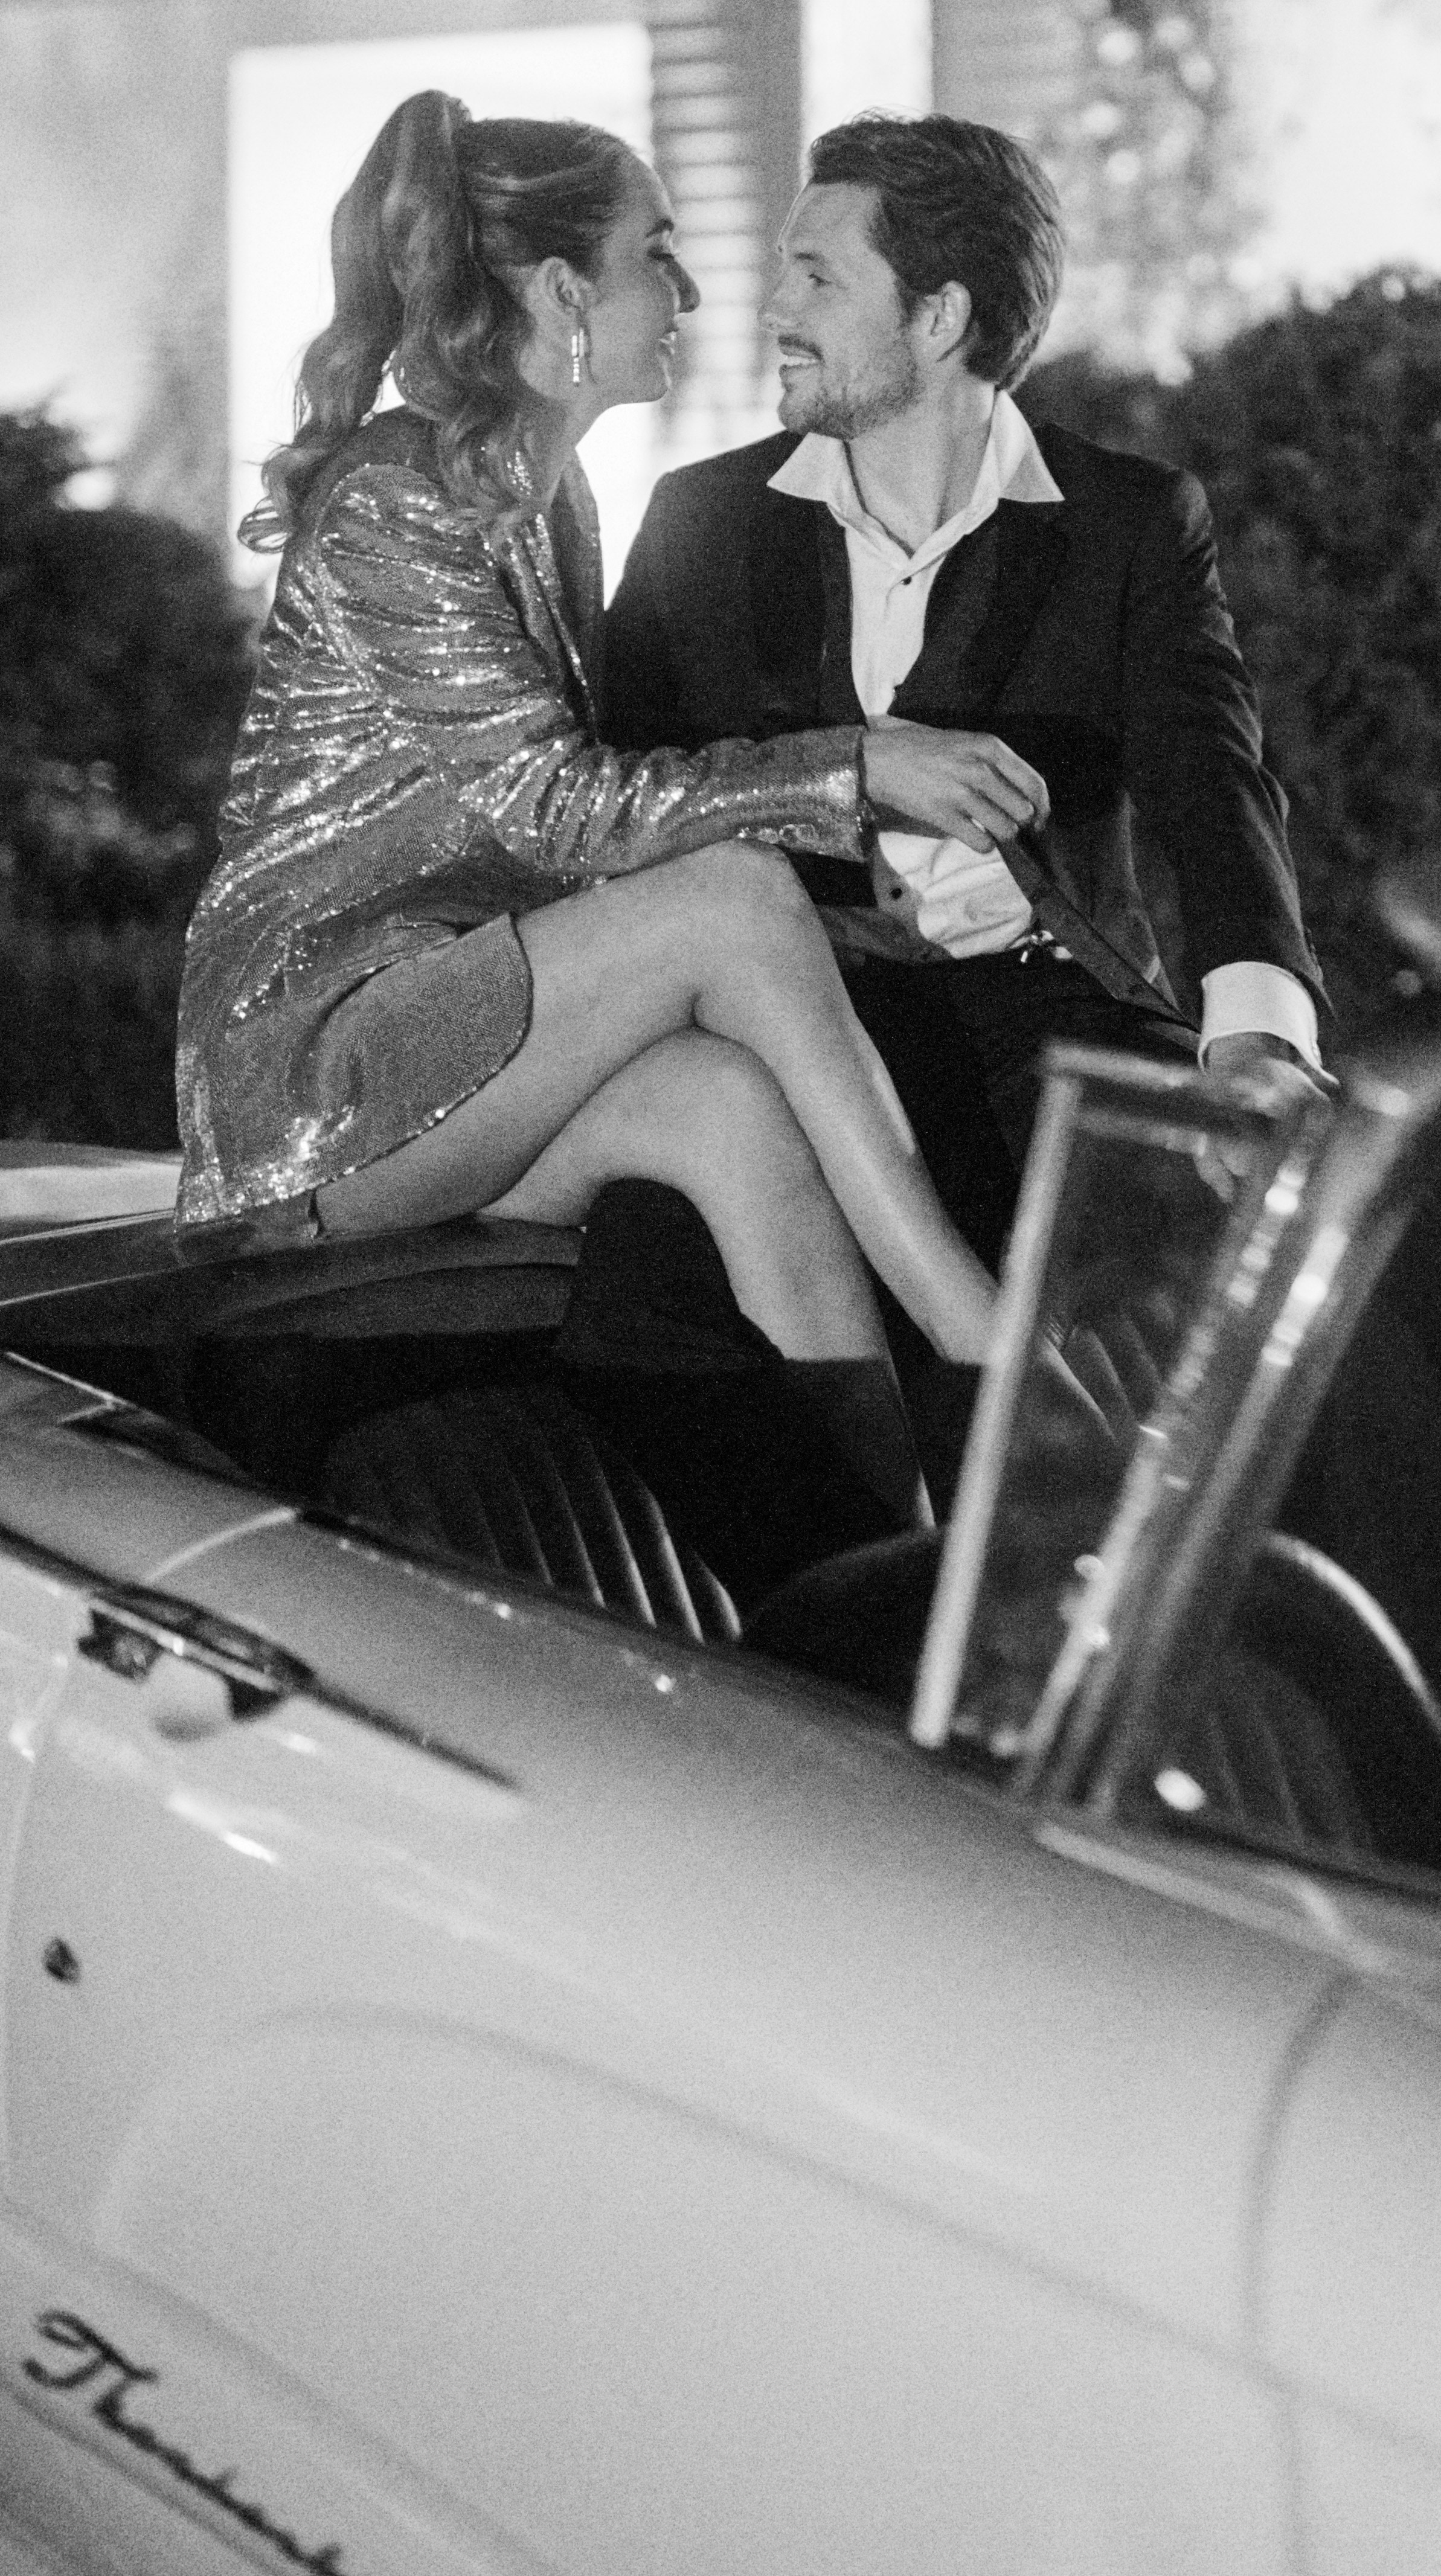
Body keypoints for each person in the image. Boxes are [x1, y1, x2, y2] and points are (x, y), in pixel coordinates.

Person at [173, 90, 1053, 1530]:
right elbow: (554, 808)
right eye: (661, 252)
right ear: (569, 292)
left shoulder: (551, 490)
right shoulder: (394, 500)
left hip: (452, 1042)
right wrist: (857, 767)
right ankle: (985, 1338)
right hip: (310, 1077)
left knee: (726, 1112)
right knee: (736, 898)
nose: (698, 293)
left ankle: (907, 1564)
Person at [597, 112, 1328, 1275]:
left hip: (1051, 1010)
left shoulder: (1128, 525)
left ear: (939, 318)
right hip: (787, 1023)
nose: (775, 309)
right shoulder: (702, 523)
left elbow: (1214, 787)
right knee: (666, 1281)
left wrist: (1256, 1037)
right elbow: (619, 797)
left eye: (818, 277)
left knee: (1197, 1267)